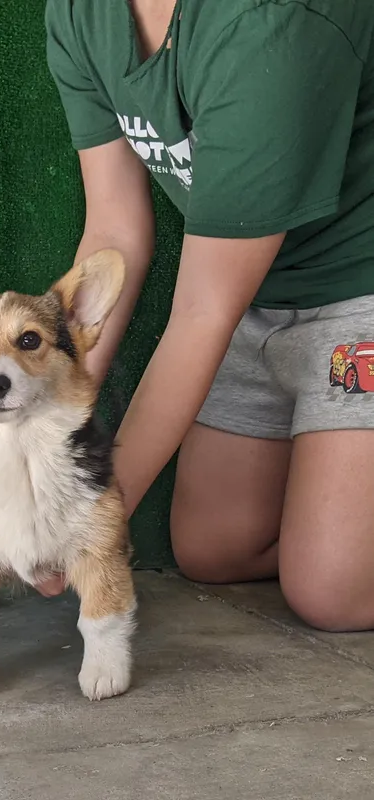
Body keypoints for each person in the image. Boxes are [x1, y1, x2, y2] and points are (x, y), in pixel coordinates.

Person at [34, 0, 374, 632]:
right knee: (213, 550)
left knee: (331, 594)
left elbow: (201, 309)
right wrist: (50, 427)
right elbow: (115, 228)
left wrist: (89, 515)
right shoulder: (81, 14)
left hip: (357, 292)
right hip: (249, 295)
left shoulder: (267, 22)